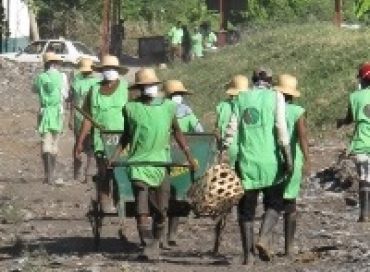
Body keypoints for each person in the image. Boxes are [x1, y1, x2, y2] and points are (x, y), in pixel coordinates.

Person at [117, 68, 197, 259]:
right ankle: (146, 242)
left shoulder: (168, 107)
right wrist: (115, 156)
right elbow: (126, 136)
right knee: (141, 207)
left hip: (161, 165)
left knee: (162, 210)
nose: (148, 89)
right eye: (144, 86)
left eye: (151, 85)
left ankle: (155, 242)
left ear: (156, 86)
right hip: (139, 163)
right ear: (139, 88)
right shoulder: (130, 108)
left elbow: (177, 132)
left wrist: (188, 155)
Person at [231, 71, 291, 265]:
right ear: (270, 82)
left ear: (252, 81)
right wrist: (288, 157)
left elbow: (231, 131)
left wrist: (226, 157)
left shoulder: (241, 97)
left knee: (246, 210)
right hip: (270, 163)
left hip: (246, 162)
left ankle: (248, 255)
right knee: (274, 204)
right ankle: (264, 237)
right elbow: (281, 128)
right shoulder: (276, 96)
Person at [75, 55, 128, 212]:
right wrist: (80, 141)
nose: (109, 72)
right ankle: (105, 200)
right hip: (101, 139)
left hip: (123, 138)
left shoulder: (127, 89)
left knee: (122, 171)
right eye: (106, 69)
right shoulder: (94, 90)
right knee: (104, 171)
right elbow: (88, 119)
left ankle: (122, 201)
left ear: (118, 71)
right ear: (101, 71)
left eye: (112, 69)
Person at [162, 79, 203, 246]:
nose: (177, 97)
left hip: (164, 156)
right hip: (182, 157)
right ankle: (171, 234)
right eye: (176, 94)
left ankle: (162, 234)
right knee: (178, 193)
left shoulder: (161, 110)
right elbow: (199, 131)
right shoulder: (187, 112)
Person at [275, 74, 310, 256]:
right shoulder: (297, 111)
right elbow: (302, 136)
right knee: (290, 204)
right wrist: (307, 157)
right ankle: (288, 247)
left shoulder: (271, 108)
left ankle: (267, 241)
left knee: (272, 203)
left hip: (273, 159)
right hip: (292, 160)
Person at [337, 63, 370, 222]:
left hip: (360, 142)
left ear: (362, 80)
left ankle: (364, 213)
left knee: (364, 177)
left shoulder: (354, 96)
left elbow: (349, 118)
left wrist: (341, 122)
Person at [33, 52, 68, 184]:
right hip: (58, 112)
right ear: (56, 64)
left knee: (45, 142)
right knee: (55, 142)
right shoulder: (62, 77)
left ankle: (47, 175)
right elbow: (64, 94)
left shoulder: (40, 77)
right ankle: (52, 174)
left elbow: (34, 90)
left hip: (44, 112)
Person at [69, 58, 99, 183]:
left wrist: (70, 117)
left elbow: (72, 102)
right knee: (91, 148)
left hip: (81, 118)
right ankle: (85, 175)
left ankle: (79, 174)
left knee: (80, 145)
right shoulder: (98, 82)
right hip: (91, 118)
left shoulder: (76, 81)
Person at [216, 75, 249, 168]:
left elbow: (218, 130)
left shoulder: (222, 106)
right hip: (245, 148)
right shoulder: (247, 105)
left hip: (228, 148)